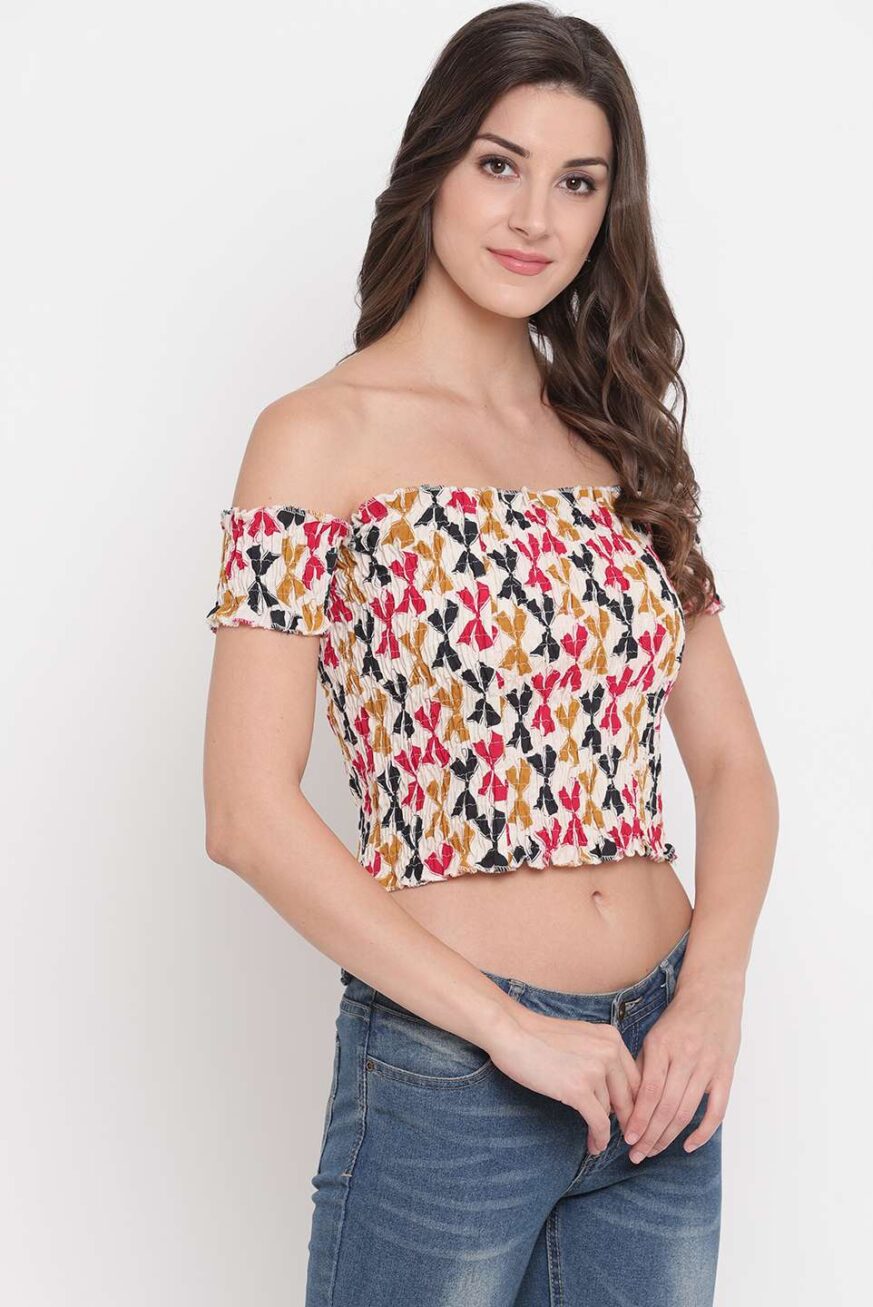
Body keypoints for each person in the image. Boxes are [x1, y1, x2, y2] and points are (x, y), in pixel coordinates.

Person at [203, 5, 778, 1304]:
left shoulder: (617, 440)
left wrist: (712, 996)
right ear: (435, 167)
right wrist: (512, 1030)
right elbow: (245, 811)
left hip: (660, 1075)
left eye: (578, 182)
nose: (534, 218)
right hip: (458, 1071)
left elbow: (735, 765)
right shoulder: (316, 439)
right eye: (500, 164)